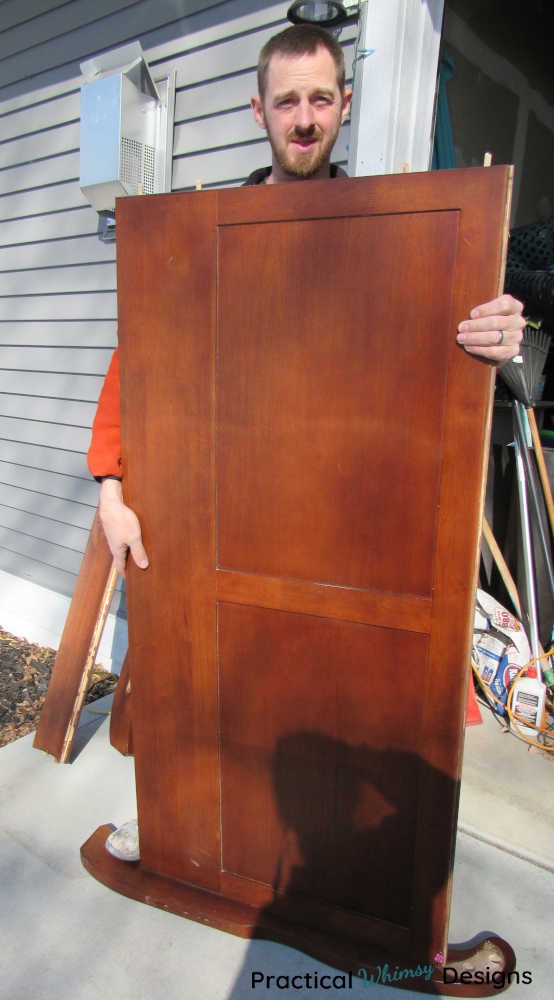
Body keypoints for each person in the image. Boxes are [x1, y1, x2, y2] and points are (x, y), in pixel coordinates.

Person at [94, 24, 524, 860]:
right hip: (219, 512)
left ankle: (333, 877)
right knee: (209, 687)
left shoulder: (399, 235)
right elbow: (132, 362)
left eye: (319, 99)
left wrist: (498, 334)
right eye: (286, 100)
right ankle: (184, 829)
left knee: (321, 706)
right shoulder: (202, 233)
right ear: (259, 109)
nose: (303, 118)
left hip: (334, 521)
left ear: (345, 105)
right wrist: (112, 492)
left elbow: (437, 355)